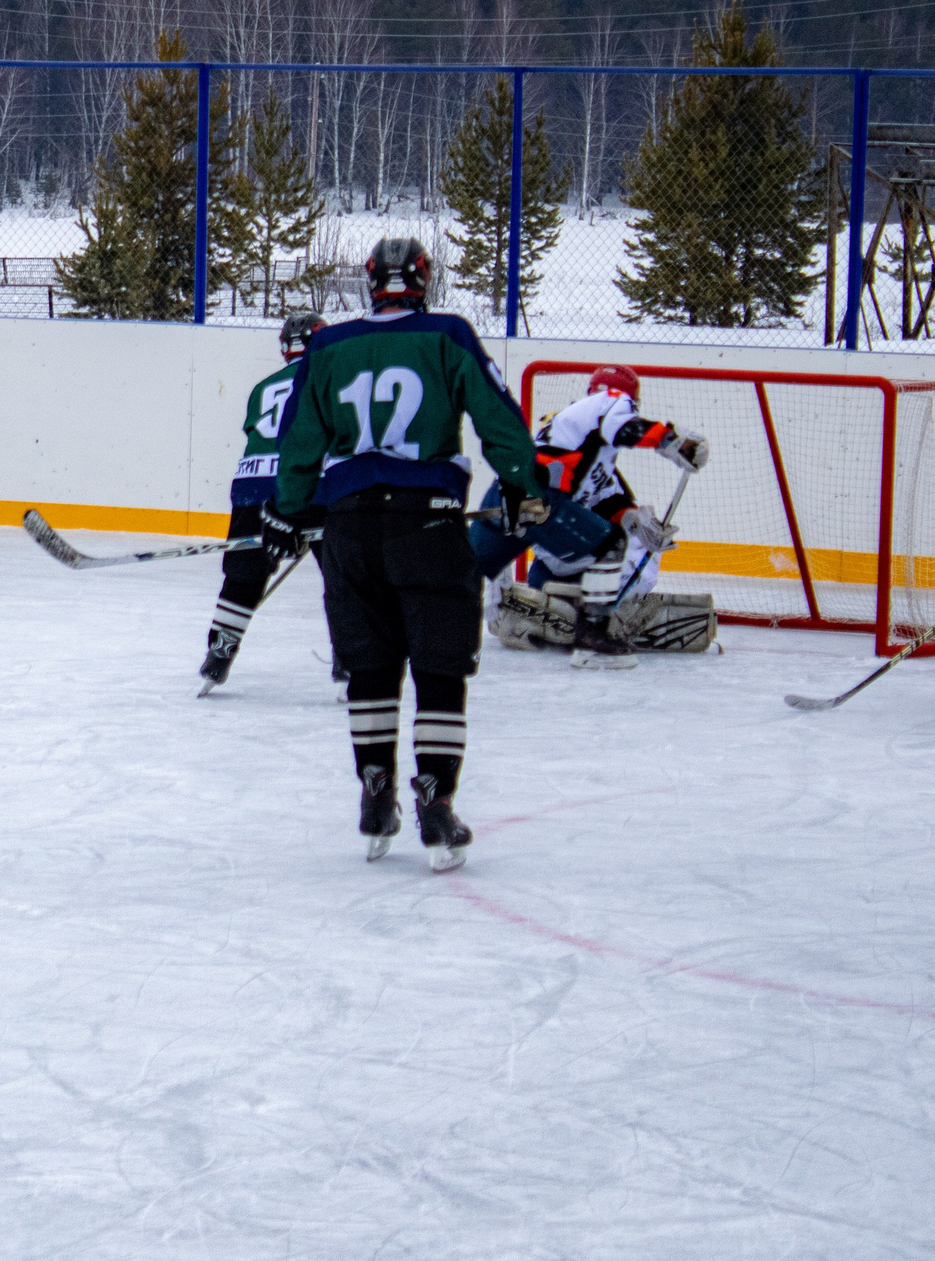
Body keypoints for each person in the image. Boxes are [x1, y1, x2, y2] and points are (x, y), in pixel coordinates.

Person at [257, 237, 549, 870]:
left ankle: (375, 794)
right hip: (428, 525)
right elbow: (498, 419)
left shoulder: (328, 346)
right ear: (422, 281)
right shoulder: (447, 334)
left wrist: (287, 508)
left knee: (369, 666)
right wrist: (523, 486)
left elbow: (300, 439)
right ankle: (434, 803)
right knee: (439, 667)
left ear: (371, 282)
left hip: (350, 529)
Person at [472, 363, 710, 668]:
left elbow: (607, 498)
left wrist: (636, 522)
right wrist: (673, 441)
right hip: (539, 502)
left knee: (465, 568)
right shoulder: (610, 401)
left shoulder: (583, 439)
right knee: (612, 544)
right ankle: (592, 640)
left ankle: (446, 625)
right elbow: (624, 429)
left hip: (507, 496)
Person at [199, 308, 326, 694]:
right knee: (347, 573)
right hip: (312, 483)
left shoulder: (262, 387)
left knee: (244, 573)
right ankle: (351, 659)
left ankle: (220, 651)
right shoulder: (331, 377)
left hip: (252, 485)